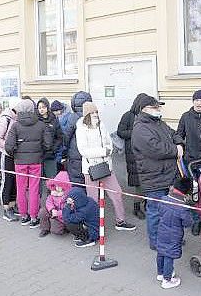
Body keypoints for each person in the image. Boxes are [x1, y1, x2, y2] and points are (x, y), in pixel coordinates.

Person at [131, 95, 184, 250]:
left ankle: (171, 238)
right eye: (155, 107)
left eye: (159, 107)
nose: (159, 110)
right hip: (153, 178)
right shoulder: (140, 128)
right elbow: (155, 149)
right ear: (145, 109)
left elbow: (174, 134)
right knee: (154, 212)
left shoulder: (159, 123)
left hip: (168, 175)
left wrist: (179, 143)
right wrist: (176, 150)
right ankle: (156, 242)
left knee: (170, 211)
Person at [76, 101, 136, 231]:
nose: (95, 114)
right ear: (86, 114)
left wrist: (109, 149)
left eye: (96, 112)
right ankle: (93, 224)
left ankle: (120, 221)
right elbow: (83, 150)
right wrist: (103, 152)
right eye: (92, 112)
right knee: (92, 199)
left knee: (117, 193)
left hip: (106, 167)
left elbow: (109, 142)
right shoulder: (81, 128)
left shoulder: (101, 125)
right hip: (91, 169)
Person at [5, 99, 52, 228]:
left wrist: (16, 153)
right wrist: (40, 151)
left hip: (20, 162)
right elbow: (48, 144)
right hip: (36, 161)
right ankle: (33, 217)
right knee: (34, 189)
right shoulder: (41, 124)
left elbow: (8, 146)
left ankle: (24, 215)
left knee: (21, 188)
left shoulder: (15, 125)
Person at [156, 177, 194, 289]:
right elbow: (187, 223)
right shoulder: (182, 207)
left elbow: (159, 211)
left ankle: (160, 273)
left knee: (161, 252)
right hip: (174, 235)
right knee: (169, 255)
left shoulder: (163, 199)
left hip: (162, 230)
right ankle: (167, 280)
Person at [117, 94, 148, 220]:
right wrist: (136, 132)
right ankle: (137, 208)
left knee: (147, 181)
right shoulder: (128, 116)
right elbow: (120, 132)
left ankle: (146, 204)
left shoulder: (147, 116)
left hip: (146, 153)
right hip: (133, 154)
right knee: (139, 183)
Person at [60, 91, 93, 184]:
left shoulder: (73, 117)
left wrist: (65, 150)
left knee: (76, 178)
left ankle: (78, 196)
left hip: (75, 151)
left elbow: (66, 136)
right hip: (90, 152)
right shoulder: (93, 116)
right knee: (90, 178)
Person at [0, 106, 19, 221]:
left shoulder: (18, 118)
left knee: (14, 181)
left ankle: (13, 206)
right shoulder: (5, 119)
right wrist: (9, 146)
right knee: (7, 180)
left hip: (16, 155)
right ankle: (6, 209)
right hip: (6, 154)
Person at [37, 98, 63, 191]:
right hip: (38, 155)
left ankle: (51, 201)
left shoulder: (54, 120)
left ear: (47, 107)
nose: (41, 109)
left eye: (43, 107)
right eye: (39, 108)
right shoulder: (36, 120)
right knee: (37, 182)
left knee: (51, 181)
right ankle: (38, 202)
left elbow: (59, 137)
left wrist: (54, 148)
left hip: (50, 155)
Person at [38, 171, 70, 237]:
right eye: (56, 185)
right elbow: (48, 201)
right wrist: (52, 209)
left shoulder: (68, 196)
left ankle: (64, 227)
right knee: (42, 211)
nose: (57, 187)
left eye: (60, 186)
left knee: (56, 231)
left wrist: (57, 213)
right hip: (53, 212)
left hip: (61, 216)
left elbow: (68, 210)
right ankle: (45, 228)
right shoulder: (53, 192)